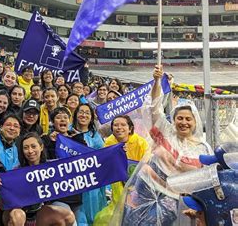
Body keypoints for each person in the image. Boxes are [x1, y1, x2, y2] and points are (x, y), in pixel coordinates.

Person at [117, 65, 213, 225]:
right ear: (174, 119)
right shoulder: (165, 133)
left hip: (179, 207)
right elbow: (154, 107)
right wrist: (156, 82)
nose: (184, 122)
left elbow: (206, 183)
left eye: (188, 119)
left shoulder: (203, 149)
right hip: (145, 195)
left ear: (195, 122)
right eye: (180, 118)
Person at [0, 133, 76, 226]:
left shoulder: (51, 168)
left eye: (33, 146)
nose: (30, 151)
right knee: (18, 216)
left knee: (69, 217)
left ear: (41, 147)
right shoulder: (16, 172)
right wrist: (1, 188)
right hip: (17, 213)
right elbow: (3, 206)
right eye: (26, 148)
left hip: (39, 213)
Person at [94, 115, 149, 225]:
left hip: (138, 183)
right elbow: (106, 164)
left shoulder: (141, 143)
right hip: (117, 181)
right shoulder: (110, 142)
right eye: (115, 125)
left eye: (123, 125)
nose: (119, 128)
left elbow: (147, 165)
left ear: (130, 128)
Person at [72, 103, 106, 225]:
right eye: (81, 112)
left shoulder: (95, 136)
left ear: (91, 117)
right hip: (73, 181)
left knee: (92, 215)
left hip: (91, 182)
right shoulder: (68, 132)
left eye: (87, 113)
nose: (84, 115)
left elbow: (102, 158)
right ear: (76, 115)